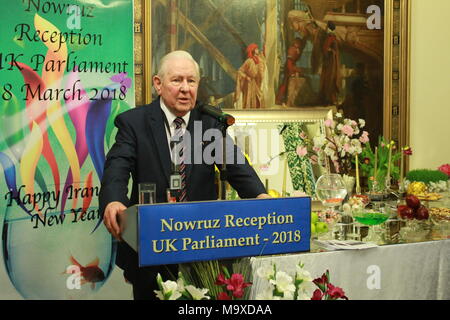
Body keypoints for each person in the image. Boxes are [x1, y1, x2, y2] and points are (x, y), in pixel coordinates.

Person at [99, 50, 269, 300]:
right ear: (158, 84)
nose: (185, 88)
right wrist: (114, 200)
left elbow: (235, 166)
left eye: (191, 81)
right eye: (177, 80)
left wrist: (260, 195)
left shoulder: (208, 122)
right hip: (152, 249)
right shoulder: (135, 123)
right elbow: (117, 166)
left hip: (203, 249)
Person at [234, 43, 267, 109]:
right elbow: (240, 71)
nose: (258, 50)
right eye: (256, 49)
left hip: (257, 83)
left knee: (258, 99)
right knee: (249, 100)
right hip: (249, 84)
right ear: (253, 50)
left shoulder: (260, 60)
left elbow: (263, 69)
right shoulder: (248, 61)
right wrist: (246, 77)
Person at [275, 37, 306, 105]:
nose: (298, 44)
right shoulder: (292, 49)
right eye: (297, 43)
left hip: (292, 65)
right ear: (295, 43)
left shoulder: (297, 49)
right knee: (285, 83)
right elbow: (289, 62)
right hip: (289, 67)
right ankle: (279, 99)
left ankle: (285, 99)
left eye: (299, 44)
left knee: (287, 83)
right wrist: (291, 72)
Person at [319, 21, 341, 105]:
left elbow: (325, 48)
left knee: (329, 79)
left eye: (326, 27)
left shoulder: (330, 37)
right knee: (329, 79)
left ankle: (330, 99)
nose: (325, 29)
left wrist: (328, 51)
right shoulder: (333, 37)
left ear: (328, 28)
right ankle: (331, 99)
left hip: (330, 62)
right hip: (331, 61)